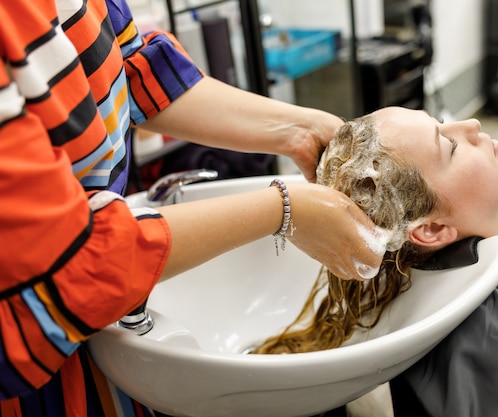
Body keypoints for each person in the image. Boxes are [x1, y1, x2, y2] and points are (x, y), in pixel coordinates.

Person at [0, 1, 384, 415]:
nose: (467, 126)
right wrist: (286, 209)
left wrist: (302, 131)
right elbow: (69, 263)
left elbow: (135, 68)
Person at [253, 106, 498, 417]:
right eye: (449, 145)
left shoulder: (477, 241)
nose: (471, 125)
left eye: (440, 122)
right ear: (431, 229)